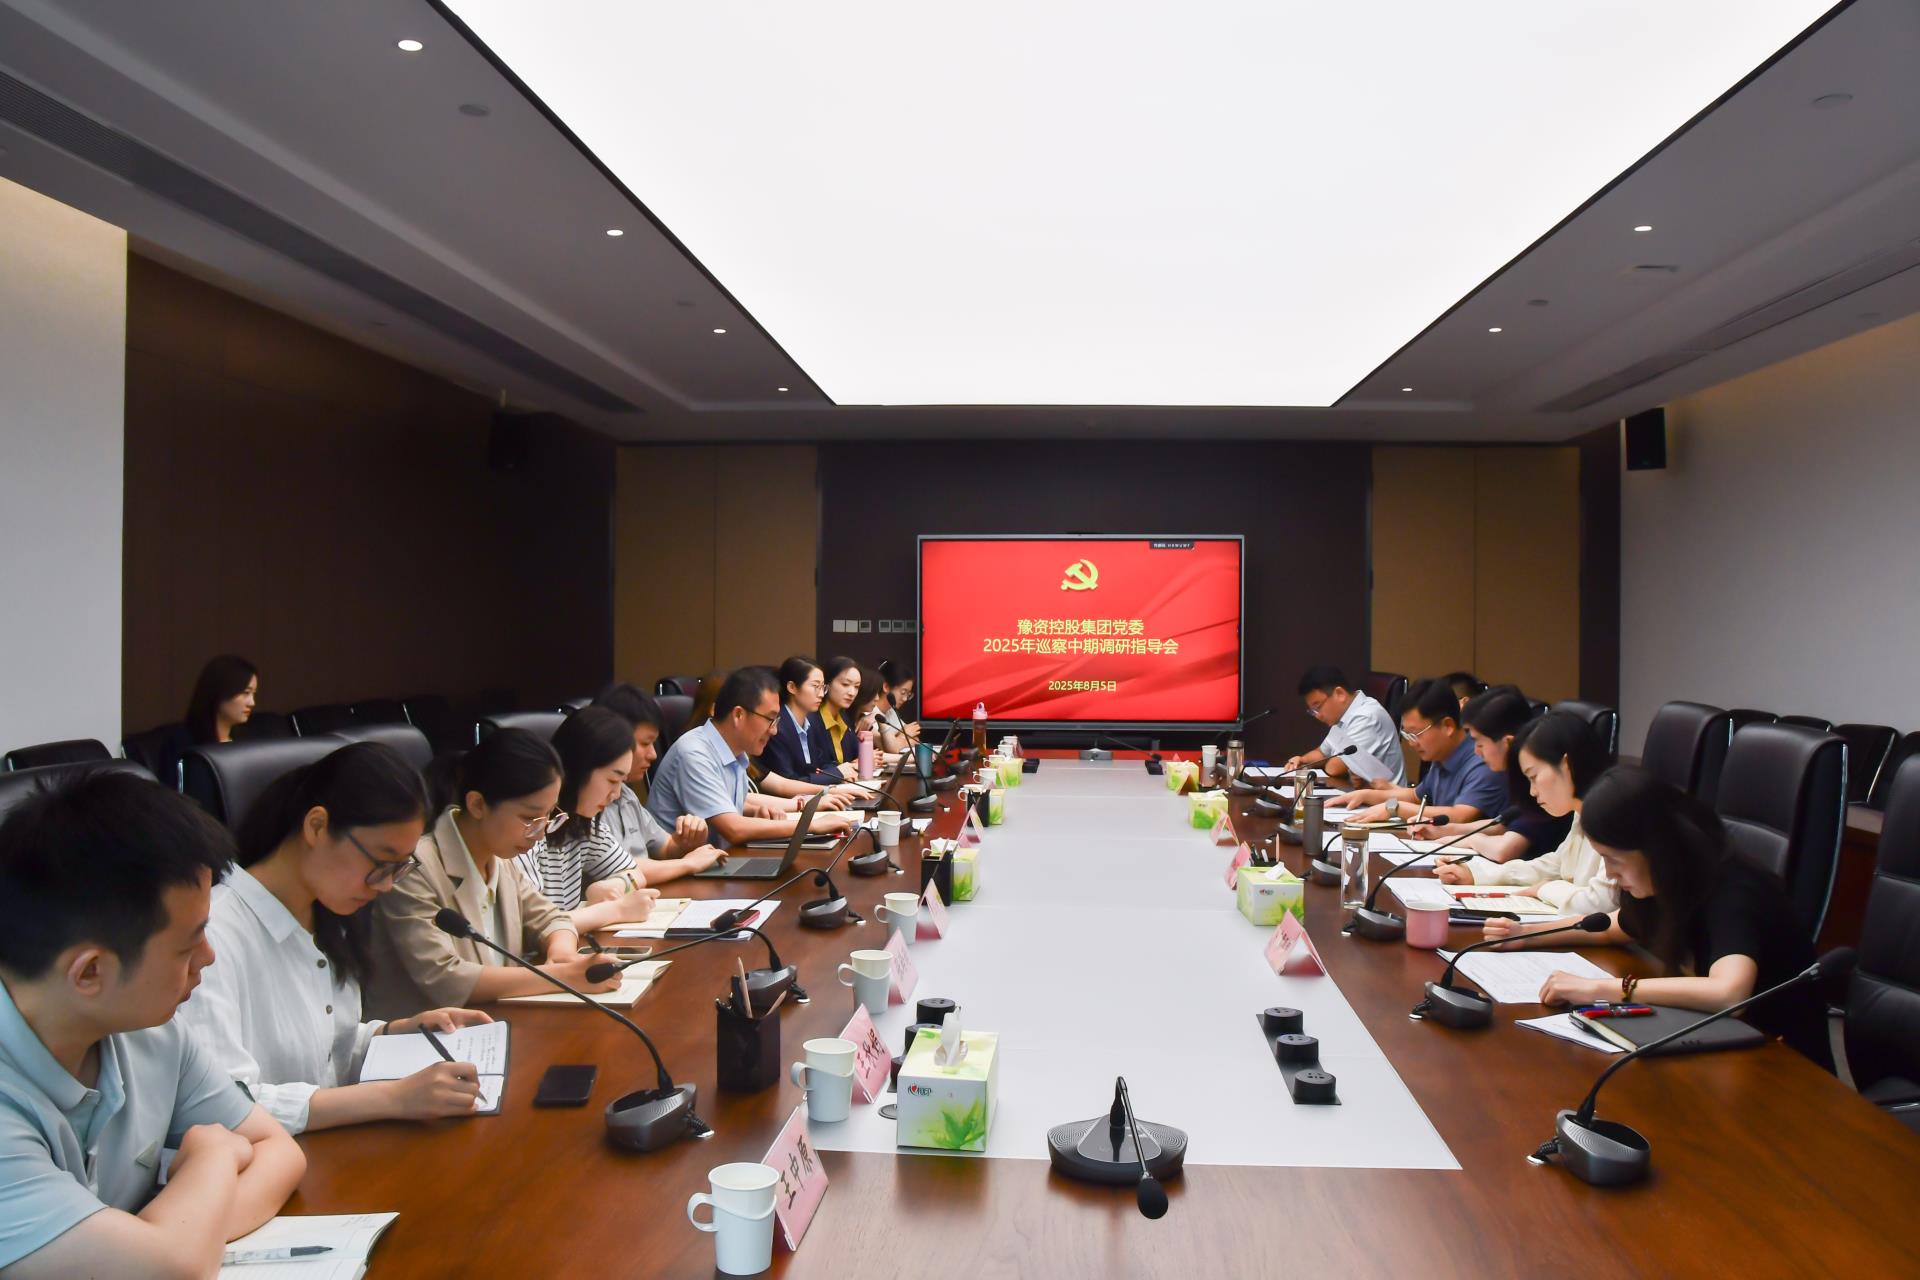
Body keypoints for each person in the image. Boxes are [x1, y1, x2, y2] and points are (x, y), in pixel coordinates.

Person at [0, 772, 305, 1277]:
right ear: (90, 972)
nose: (208, 958)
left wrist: (175, 1239)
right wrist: (212, 1155)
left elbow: (278, 1151)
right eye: (186, 947)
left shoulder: (150, 1030)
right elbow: (171, 1269)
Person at [179, 743, 492, 1135]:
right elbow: (221, 1106)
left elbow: (324, 1055)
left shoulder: (327, 914)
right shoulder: (212, 935)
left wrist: (393, 1033)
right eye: (380, 863)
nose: (386, 886)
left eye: (400, 868)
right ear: (316, 826)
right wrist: (393, 1097)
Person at [1487, 766, 1832, 1069]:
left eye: (1614, 859)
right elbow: (1610, 927)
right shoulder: (1665, 880)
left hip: (1784, 1065)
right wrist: (1525, 934)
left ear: (1655, 849)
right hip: (1721, 1046)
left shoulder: (1734, 889)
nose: (1609, 873)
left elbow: (1730, 993)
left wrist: (1602, 989)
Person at [364, 729, 618, 1020]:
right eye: (529, 818)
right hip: (424, 1038)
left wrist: (561, 952)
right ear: (477, 805)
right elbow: (446, 978)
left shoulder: (499, 857)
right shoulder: (415, 868)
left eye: (549, 816)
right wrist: (563, 976)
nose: (540, 833)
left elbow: (550, 918)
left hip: (497, 1022)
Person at [646, 667, 859, 849]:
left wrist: (765, 811)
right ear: (738, 715)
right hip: (683, 874)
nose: (774, 731)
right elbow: (733, 829)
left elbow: (739, 800)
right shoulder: (694, 753)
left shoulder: (734, 751)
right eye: (770, 719)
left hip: (718, 860)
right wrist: (810, 824)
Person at [1432, 712, 1616, 921]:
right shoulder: (1582, 812)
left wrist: (1545, 889)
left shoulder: (1614, 814)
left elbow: (1600, 903)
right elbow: (1557, 865)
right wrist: (1477, 874)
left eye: (1534, 776)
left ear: (1567, 765)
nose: (1532, 791)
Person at [512, 708, 673, 931]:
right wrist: (616, 910)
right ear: (580, 768)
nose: (616, 794)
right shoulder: (530, 829)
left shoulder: (582, 823)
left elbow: (634, 871)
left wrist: (614, 884)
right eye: (612, 780)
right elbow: (535, 926)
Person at [1406, 687, 1571, 861]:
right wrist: (1442, 831)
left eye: (1480, 743)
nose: (1476, 752)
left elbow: (1504, 850)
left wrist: (1461, 840)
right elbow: (1502, 826)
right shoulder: (1515, 776)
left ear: (1507, 743)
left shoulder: (1540, 783)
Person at [589, 684, 725, 884]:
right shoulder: (585, 807)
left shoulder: (626, 794)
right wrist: (688, 864)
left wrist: (687, 840)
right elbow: (623, 869)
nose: (653, 754)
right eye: (645, 743)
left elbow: (665, 848)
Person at [1328, 677, 1506, 824]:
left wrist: (1394, 808)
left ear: (1448, 726)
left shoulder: (1482, 759)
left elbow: (1461, 816)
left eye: (1416, 734)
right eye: (1407, 734)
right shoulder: (1443, 755)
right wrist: (1365, 795)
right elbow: (1415, 796)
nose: (1411, 743)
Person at [1281, 665, 1407, 784]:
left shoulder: (1367, 716)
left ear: (1340, 694)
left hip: (1387, 797)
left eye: (1318, 707)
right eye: (1313, 711)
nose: (1318, 716)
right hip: (1360, 792)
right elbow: (1322, 752)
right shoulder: (1343, 715)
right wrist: (1302, 761)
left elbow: (1334, 768)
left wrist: (1327, 762)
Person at [758, 657, 847, 787]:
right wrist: (837, 773)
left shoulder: (811, 722)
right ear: (792, 687)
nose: (821, 694)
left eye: (823, 687)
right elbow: (789, 781)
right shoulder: (776, 727)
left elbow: (819, 764)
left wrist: (845, 768)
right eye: (815, 686)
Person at [818, 656, 862, 778]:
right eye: (845, 684)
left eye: (856, 687)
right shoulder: (812, 720)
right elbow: (818, 768)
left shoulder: (843, 717)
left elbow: (857, 755)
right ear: (827, 683)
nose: (852, 692)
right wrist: (851, 766)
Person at [874, 661, 919, 752]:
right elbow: (889, 748)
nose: (905, 699)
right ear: (886, 687)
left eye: (908, 694)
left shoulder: (891, 711)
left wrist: (900, 738)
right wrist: (903, 736)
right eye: (903, 692)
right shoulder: (869, 713)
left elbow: (915, 739)